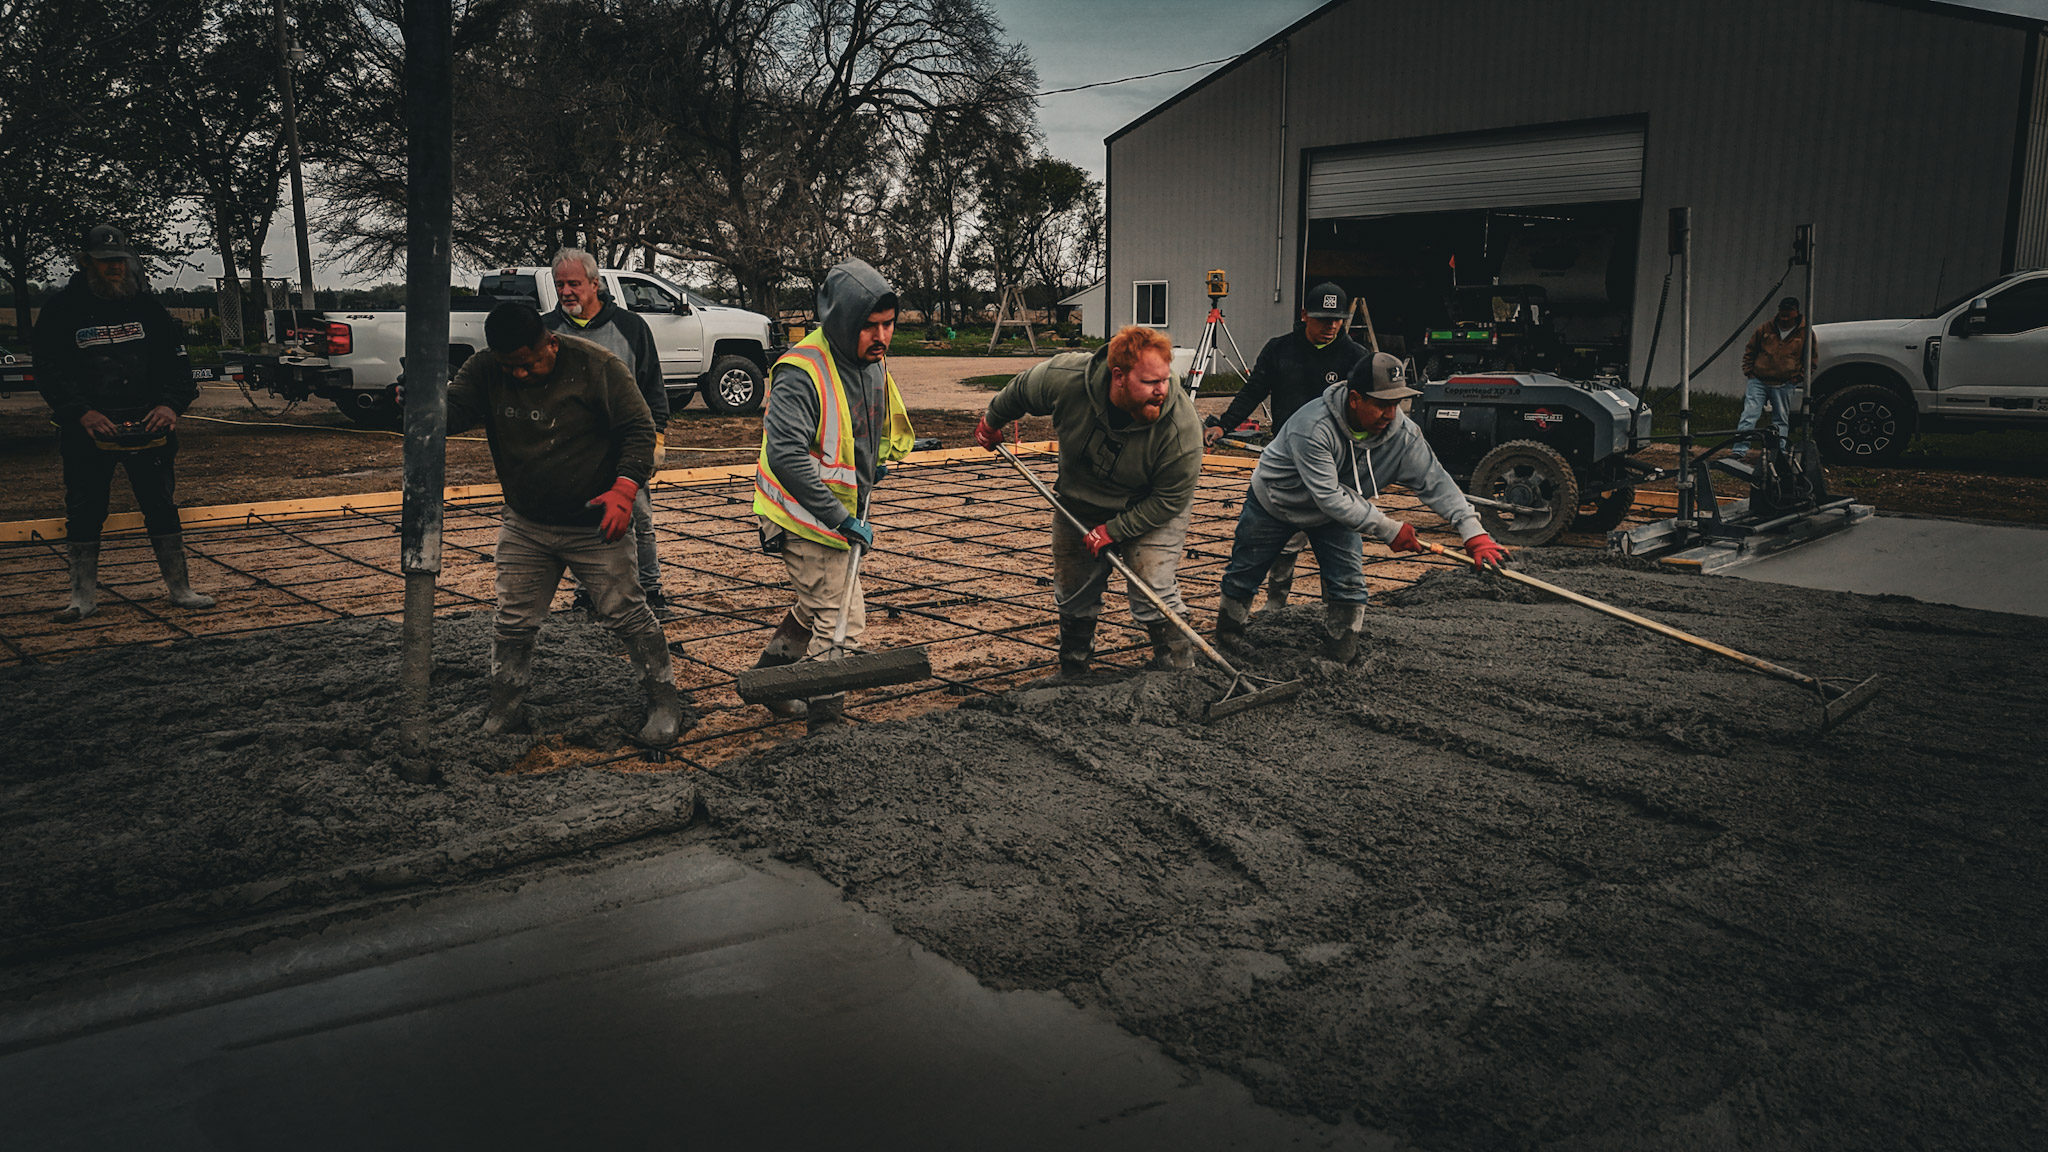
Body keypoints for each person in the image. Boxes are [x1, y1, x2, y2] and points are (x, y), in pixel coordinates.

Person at [445, 301, 684, 747]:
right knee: (513, 620)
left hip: (593, 523)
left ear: (549, 344)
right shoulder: (486, 369)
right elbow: (454, 411)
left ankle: (664, 701)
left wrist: (625, 489)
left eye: (528, 364)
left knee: (626, 612)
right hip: (526, 522)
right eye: (509, 366)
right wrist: (418, 400)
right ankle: (506, 703)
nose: (518, 374)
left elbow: (639, 428)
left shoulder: (596, 368)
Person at [1215, 352, 1506, 664]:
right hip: (1275, 502)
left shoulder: (1404, 436)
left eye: (1396, 404)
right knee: (1245, 573)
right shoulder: (1312, 427)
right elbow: (1327, 496)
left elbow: (1437, 482)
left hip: (1340, 511)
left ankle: (1341, 654)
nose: (1391, 414)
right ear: (1354, 399)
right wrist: (1389, 529)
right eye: (1381, 404)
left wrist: (1472, 532)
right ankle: (1228, 639)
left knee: (1349, 584)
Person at [975, 325, 1203, 679]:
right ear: (1118, 377)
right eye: (1150, 382)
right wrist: (992, 421)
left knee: (1152, 583)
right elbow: (1020, 391)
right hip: (1081, 499)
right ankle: (1075, 670)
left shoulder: (1180, 427)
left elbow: (1170, 498)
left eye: (1165, 379)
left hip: (1149, 505)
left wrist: (1115, 530)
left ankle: (1179, 670)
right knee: (1074, 584)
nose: (1162, 391)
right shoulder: (1067, 378)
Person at [749, 258, 915, 733]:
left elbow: (869, 420)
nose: (881, 337)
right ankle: (825, 722)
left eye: (888, 325)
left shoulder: (871, 361)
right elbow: (785, 455)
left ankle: (774, 676)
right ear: (841, 321)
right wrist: (839, 517)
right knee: (843, 619)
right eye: (870, 327)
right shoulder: (802, 371)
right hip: (802, 514)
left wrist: (875, 462)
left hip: (839, 509)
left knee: (814, 604)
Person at [33, 224, 215, 624]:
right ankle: (82, 597)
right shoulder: (61, 311)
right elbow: (48, 370)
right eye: (104, 263)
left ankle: (180, 589)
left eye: (119, 261)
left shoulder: (147, 309)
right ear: (85, 264)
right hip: (89, 430)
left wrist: (171, 406)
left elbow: (178, 366)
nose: (113, 268)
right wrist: (80, 412)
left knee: (161, 507)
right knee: (84, 510)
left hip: (149, 425)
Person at [1201, 281, 1369, 611]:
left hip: (1337, 469)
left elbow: (1369, 411)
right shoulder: (1280, 350)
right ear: (1305, 315)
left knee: (1338, 549)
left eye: (1337, 320)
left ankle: (1335, 615)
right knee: (1282, 543)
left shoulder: (1356, 358)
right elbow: (1253, 392)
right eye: (1322, 319)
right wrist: (1224, 424)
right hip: (1288, 465)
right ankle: (1275, 610)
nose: (1330, 327)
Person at [542, 248, 675, 618]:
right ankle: (590, 594)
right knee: (586, 521)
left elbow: (652, 386)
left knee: (639, 519)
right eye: (560, 285)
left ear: (595, 284)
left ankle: (650, 591)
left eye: (574, 284)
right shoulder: (546, 331)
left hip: (625, 443)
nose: (566, 291)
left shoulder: (630, 328)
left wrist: (656, 435)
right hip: (573, 448)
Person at [1733, 296, 1816, 460]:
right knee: (1749, 415)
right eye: (1782, 309)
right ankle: (1739, 450)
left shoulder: (1806, 333)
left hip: (1785, 383)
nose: (1785, 313)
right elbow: (1750, 350)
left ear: (1796, 312)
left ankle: (1780, 452)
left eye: (1789, 310)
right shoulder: (1765, 329)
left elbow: (1811, 359)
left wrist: (1797, 378)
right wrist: (1749, 371)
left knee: (1781, 419)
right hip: (1758, 380)